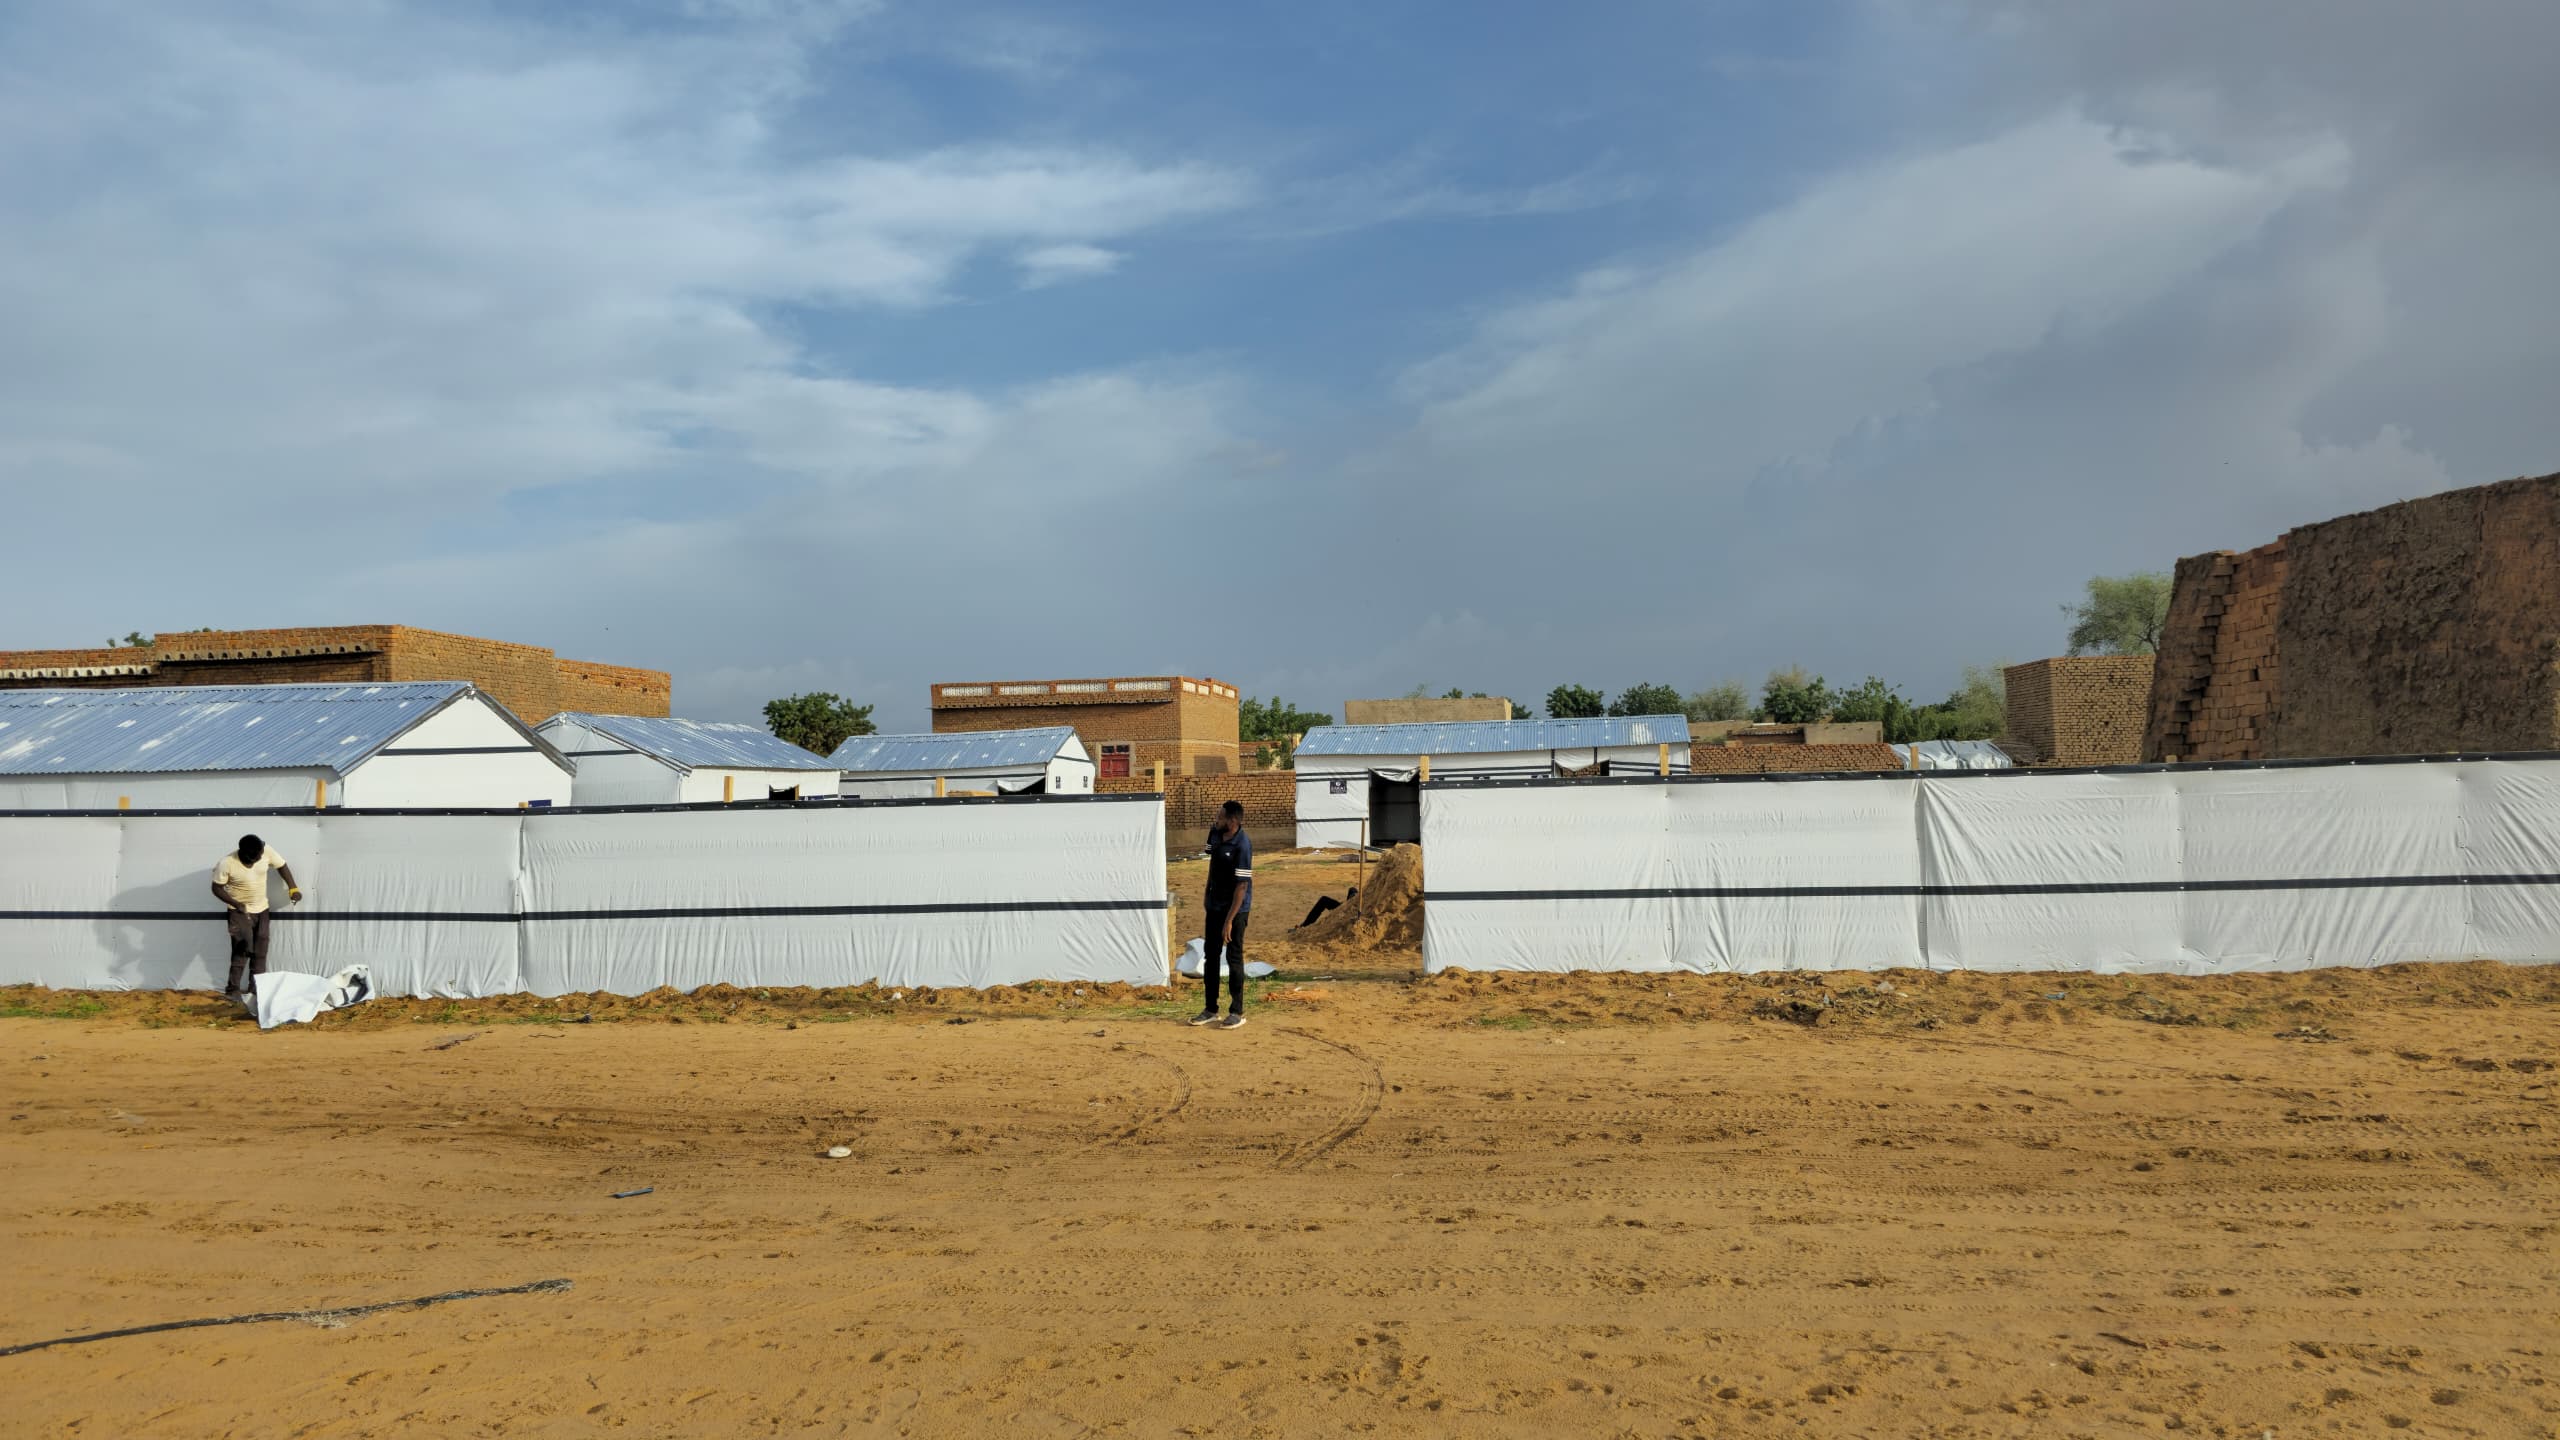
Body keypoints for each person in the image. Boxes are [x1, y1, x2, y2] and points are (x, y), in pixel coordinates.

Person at [211, 834, 301, 1008]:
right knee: (242, 950)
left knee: (260, 951)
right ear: (243, 853)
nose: (259, 859)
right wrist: (236, 903)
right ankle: (233, 991)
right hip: (239, 911)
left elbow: (282, 865)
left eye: (260, 855)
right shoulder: (227, 863)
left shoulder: (265, 850)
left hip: (262, 909)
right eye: (254, 858)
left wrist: (293, 888)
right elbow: (216, 888)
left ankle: (256, 990)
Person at [1190, 800, 1253, 1029]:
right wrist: (1207, 895)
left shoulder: (1242, 845)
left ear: (1232, 821)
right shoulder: (1216, 833)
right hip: (1215, 906)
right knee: (1211, 955)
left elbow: (1242, 887)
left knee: (1234, 957)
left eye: (1221, 817)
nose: (1217, 819)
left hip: (1236, 909)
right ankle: (1210, 1009)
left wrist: (1229, 921)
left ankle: (1236, 1011)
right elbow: (1211, 860)